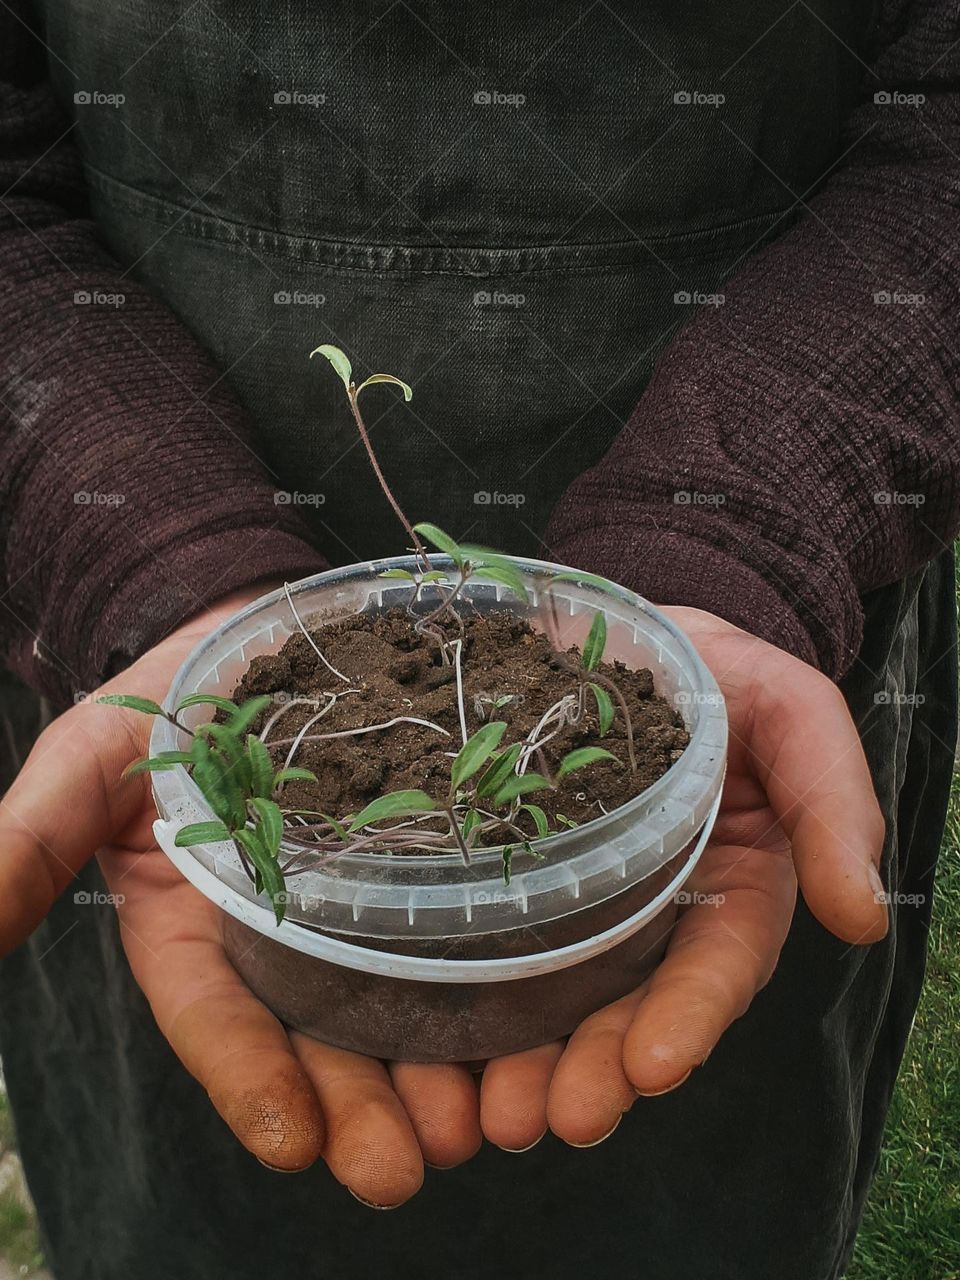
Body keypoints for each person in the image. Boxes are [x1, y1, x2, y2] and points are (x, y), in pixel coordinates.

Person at [0, 1, 956, 1276]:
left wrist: (740, 536)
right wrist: (141, 552)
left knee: (695, 1194)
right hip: (123, 578)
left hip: (753, 656)